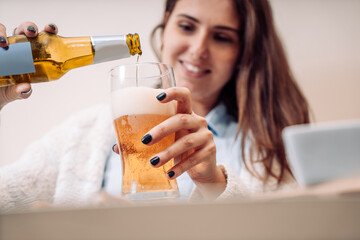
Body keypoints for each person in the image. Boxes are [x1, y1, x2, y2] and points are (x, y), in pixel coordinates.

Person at [0, 0, 310, 211]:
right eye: (187, 27)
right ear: (165, 27)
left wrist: (216, 184)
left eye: (222, 37)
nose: (199, 49)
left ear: (243, 50)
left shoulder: (269, 148)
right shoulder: (83, 135)